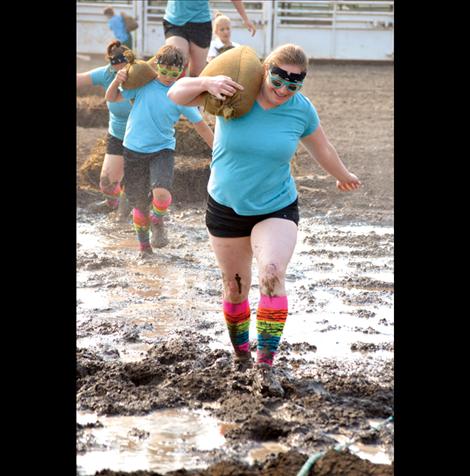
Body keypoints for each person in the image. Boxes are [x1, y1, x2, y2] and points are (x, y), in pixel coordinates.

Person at [168, 43, 361, 397]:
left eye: (295, 83)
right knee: (234, 288)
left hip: (276, 207)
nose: (285, 87)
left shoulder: (300, 110)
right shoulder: (236, 91)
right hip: (226, 206)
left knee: (272, 273)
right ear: (265, 70)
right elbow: (175, 93)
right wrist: (206, 84)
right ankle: (241, 356)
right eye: (279, 77)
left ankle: (265, 364)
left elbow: (323, 148)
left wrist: (342, 174)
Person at [105, 45, 214, 259]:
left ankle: (158, 219)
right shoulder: (143, 85)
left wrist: (218, 150)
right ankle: (145, 249)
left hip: (162, 149)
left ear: (181, 72)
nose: (168, 77)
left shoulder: (180, 94)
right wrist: (117, 79)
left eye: (174, 74)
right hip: (133, 150)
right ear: (157, 67)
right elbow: (112, 97)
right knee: (139, 205)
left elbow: (200, 124)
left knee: (162, 196)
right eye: (164, 71)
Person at [77, 40, 133, 222]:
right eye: (115, 64)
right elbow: (81, 78)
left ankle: (134, 214)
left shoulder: (142, 74)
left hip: (142, 136)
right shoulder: (107, 73)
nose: (119, 68)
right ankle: (112, 205)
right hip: (117, 134)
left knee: (136, 182)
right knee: (107, 184)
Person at [163, 0, 256, 77]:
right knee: (177, 62)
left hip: (200, 22)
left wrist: (245, 19)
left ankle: (192, 97)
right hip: (175, 20)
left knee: (197, 73)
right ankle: (173, 97)